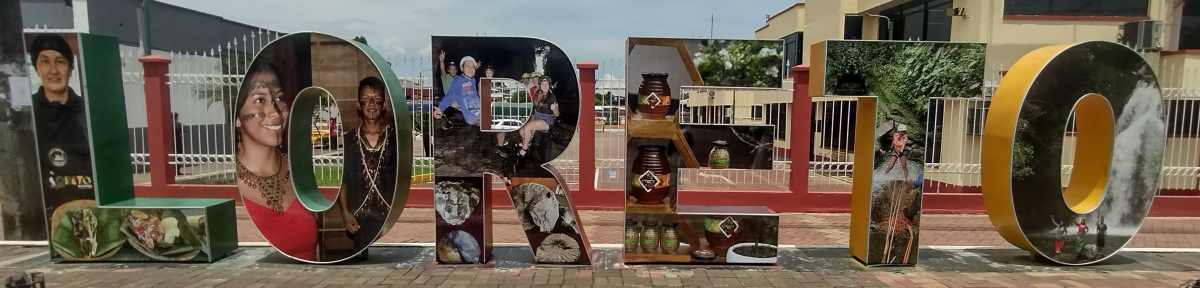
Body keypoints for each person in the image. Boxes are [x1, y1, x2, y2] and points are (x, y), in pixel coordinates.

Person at [235, 62, 317, 261]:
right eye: (260, 100)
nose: (275, 111)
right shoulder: (229, 181)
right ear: (237, 117)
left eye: (279, 98)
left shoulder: (298, 170)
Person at [337, 76, 398, 249]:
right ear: (358, 105)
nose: (371, 104)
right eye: (365, 100)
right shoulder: (349, 140)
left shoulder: (395, 139)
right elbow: (343, 180)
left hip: (388, 215)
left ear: (384, 105)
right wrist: (345, 213)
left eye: (377, 100)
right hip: (359, 217)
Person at [30, 34, 92, 179]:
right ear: (36, 68)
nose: (53, 70)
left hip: (87, 200)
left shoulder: (88, 112)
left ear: (70, 68)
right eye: (45, 62)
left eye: (60, 62)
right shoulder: (27, 114)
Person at [434, 56, 482, 126]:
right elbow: (449, 96)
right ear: (462, 69)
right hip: (473, 117)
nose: (470, 68)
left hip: (481, 113)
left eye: (473, 67)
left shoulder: (473, 81)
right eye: (467, 66)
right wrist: (440, 109)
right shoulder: (459, 80)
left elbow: (475, 97)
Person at [516, 77, 558, 156]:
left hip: (546, 121)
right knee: (522, 129)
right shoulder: (538, 94)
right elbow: (533, 108)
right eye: (543, 84)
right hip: (536, 118)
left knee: (528, 127)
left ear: (549, 85)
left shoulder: (552, 97)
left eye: (546, 84)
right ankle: (527, 143)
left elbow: (557, 114)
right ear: (540, 85)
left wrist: (554, 109)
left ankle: (524, 149)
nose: (544, 85)